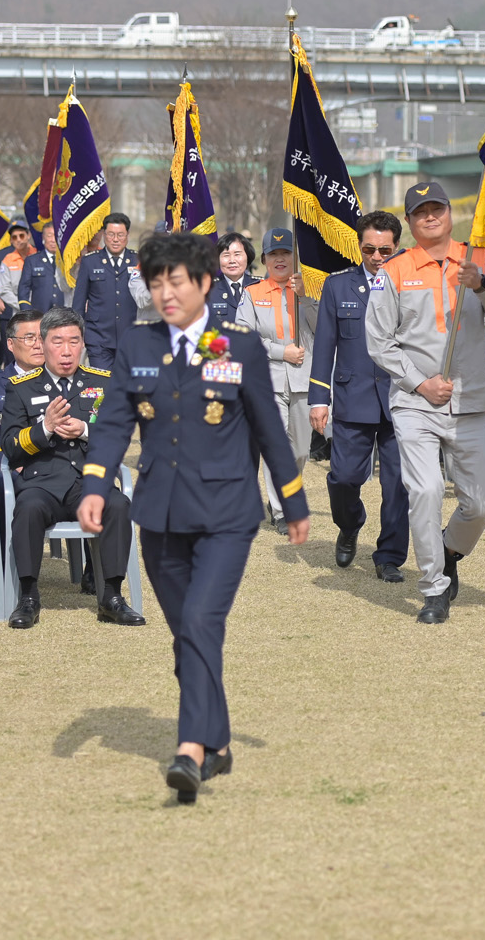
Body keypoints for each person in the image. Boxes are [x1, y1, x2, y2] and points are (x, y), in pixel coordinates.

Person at [76, 232, 309, 804]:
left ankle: (190, 750)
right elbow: (113, 423)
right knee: (187, 634)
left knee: (202, 622)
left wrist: (293, 499)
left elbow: (267, 426)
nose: (166, 293)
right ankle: (219, 740)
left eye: (176, 281)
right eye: (156, 283)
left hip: (227, 514)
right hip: (160, 516)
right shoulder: (139, 343)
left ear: (204, 283)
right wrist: (95, 485)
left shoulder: (236, 345)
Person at [365, 180, 485, 625]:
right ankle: (434, 587)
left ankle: (448, 549)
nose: (430, 216)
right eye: (420, 212)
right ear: (409, 221)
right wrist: (420, 384)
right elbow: (379, 342)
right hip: (415, 403)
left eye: (437, 208)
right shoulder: (394, 271)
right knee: (425, 491)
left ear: (450, 212)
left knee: (479, 504)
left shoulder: (479, 259)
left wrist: (482, 287)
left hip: (470, 399)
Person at [0, 307, 141, 629]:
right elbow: (10, 445)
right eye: (58, 342)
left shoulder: (103, 382)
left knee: (118, 504)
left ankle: (111, 597)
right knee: (28, 507)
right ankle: (28, 597)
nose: (66, 351)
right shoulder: (21, 387)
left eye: (74, 342)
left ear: (83, 344)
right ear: (43, 344)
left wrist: (86, 430)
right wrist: (45, 428)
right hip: (43, 483)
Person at [308, 211, 409, 580]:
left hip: (401, 397)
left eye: (385, 250)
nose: (377, 256)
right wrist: (319, 398)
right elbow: (324, 345)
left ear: (396, 247)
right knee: (344, 478)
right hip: (354, 396)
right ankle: (350, 525)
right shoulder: (338, 286)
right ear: (359, 247)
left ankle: (389, 557)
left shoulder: (411, 284)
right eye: (369, 249)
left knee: (398, 485)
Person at [234, 228, 318, 534]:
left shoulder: (311, 291)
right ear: (265, 259)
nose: (280, 259)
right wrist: (281, 352)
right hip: (268, 379)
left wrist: (305, 297)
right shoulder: (253, 293)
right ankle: (282, 509)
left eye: (285, 253)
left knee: (301, 451)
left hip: (304, 380)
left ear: (295, 257)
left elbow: (323, 329)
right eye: (273, 254)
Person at [72, 214, 151, 372]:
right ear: (104, 235)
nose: (115, 239)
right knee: (102, 382)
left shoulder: (137, 260)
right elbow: (79, 303)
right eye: (111, 234)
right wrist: (77, 333)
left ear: (127, 235)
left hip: (131, 336)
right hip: (98, 338)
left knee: (127, 382)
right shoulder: (90, 261)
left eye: (120, 235)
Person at [0, 310, 43, 470]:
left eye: (43, 337)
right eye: (29, 338)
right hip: (12, 469)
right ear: (11, 344)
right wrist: (13, 464)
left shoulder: (61, 380)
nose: (38, 345)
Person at [0, 223, 31, 371]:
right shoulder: (3, 257)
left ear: (28, 235)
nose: (18, 239)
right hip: (11, 308)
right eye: (14, 237)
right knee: (11, 351)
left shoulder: (37, 254)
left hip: (35, 310)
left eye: (22, 235)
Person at [207, 231, 257, 322]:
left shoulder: (259, 287)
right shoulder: (208, 289)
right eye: (226, 255)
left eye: (237, 254)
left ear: (247, 256)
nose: (232, 260)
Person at [18, 224, 66, 312]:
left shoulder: (67, 260)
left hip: (63, 313)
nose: (53, 240)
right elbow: (24, 288)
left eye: (56, 235)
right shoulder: (32, 260)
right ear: (43, 238)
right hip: (39, 313)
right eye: (49, 236)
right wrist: (27, 312)